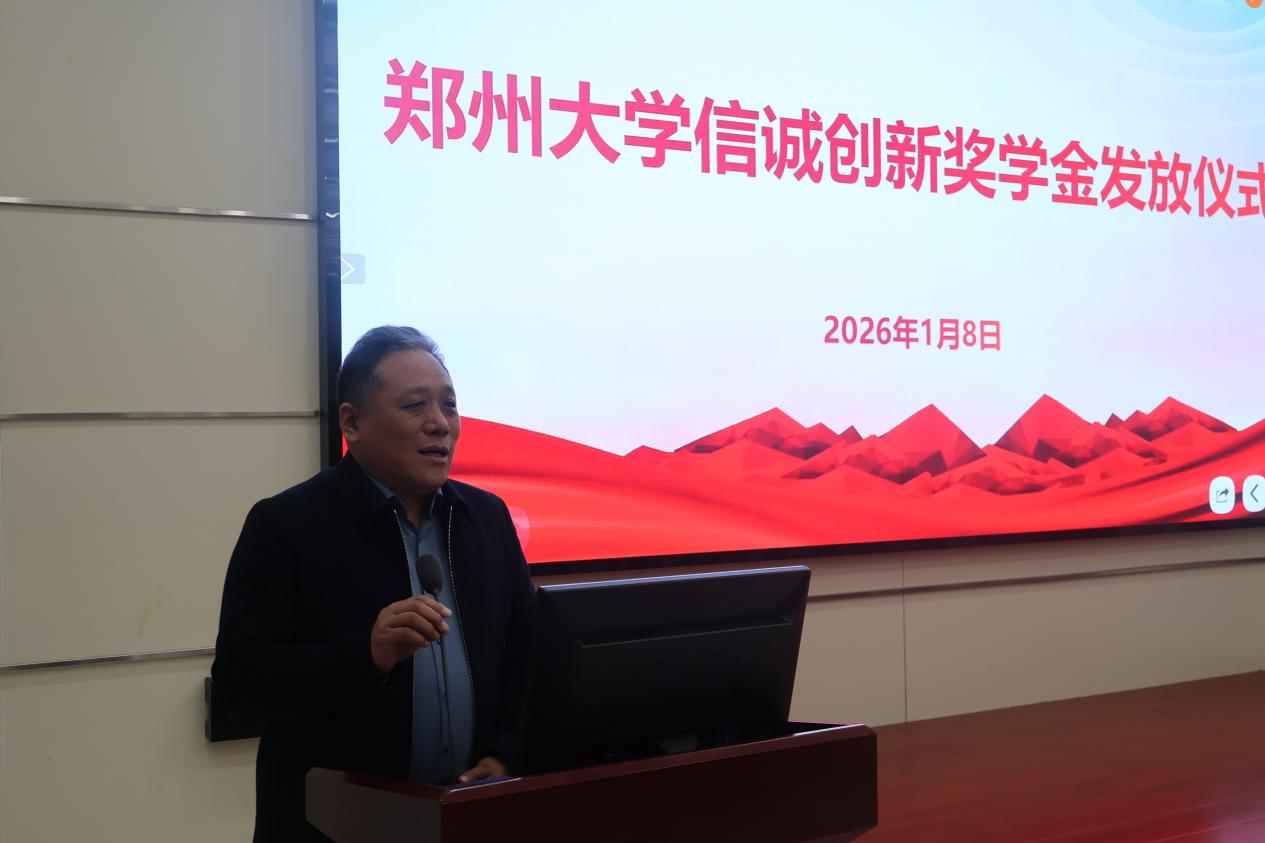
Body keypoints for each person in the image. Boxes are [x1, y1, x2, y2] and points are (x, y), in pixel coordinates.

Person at [213, 326, 535, 842]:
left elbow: (525, 652)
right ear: (351, 422)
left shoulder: (487, 518)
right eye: (415, 406)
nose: (440, 423)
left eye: (449, 406)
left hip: (466, 814)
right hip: (334, 824)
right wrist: (365, 653)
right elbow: (241, 682)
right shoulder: (287, 525)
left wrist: (505, 752)